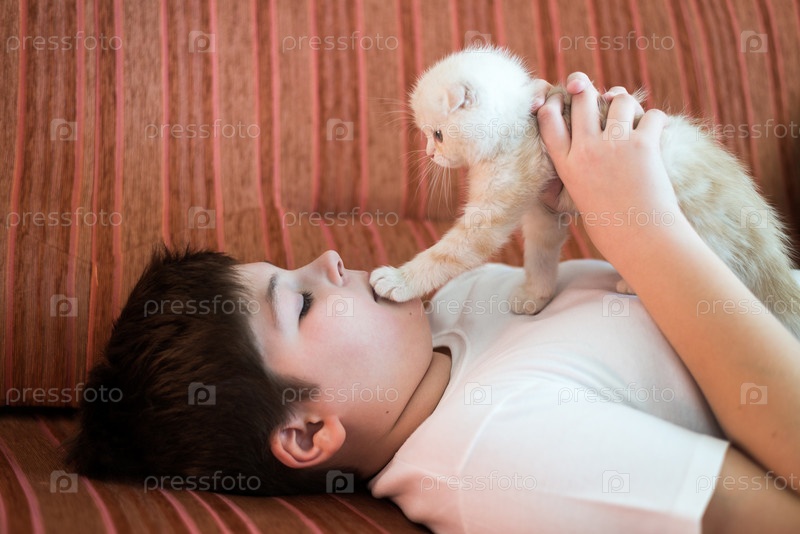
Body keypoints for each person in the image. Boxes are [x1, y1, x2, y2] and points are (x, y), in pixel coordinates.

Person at [66, 74, 800, 533]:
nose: (329, 258)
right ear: (308, 431)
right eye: (303, 301)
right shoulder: (499, 458)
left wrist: (609, 190)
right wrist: (646, 230)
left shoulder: (456, 312)